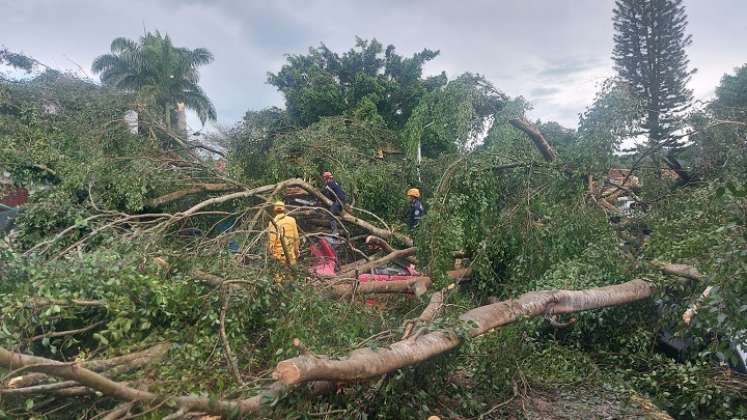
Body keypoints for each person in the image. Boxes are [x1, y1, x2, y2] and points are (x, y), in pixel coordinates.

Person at [267, 201, 300, 268]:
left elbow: (272, 242)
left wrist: (273, 255)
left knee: (280, 277)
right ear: (284, 209)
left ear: (274, 210)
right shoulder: (292, 220)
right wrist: (296, 252)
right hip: (291, 254)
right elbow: (296, 238)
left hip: (279, 256)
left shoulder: (272, 222)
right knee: (293, 276)